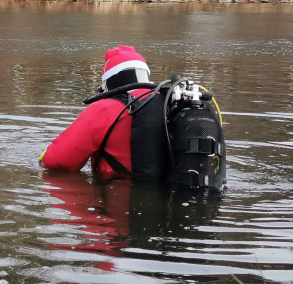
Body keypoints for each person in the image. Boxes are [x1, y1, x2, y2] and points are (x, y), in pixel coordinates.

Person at [40, 45, 226, 189]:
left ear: (108, 81)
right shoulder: (170, 102)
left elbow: (58, 162)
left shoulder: (105, 108)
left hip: (121, 206)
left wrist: (43, 158)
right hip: (176, 196)